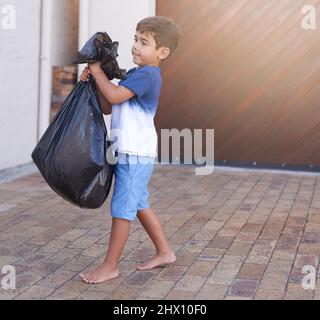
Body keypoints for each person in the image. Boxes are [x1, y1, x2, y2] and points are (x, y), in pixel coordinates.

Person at [79, 16, 181, 284]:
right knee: (137, 204)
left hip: (135, 152)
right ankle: (164, 252)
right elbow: (108, 105)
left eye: (144, 42)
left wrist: (98, 71)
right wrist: (94, 80)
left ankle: (111, 266)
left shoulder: (148, 75)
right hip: (127, 149)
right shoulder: (135, 74)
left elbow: (114, 96)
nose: (135, 46)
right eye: (136, 39)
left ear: (162, 52)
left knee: (123, 207)